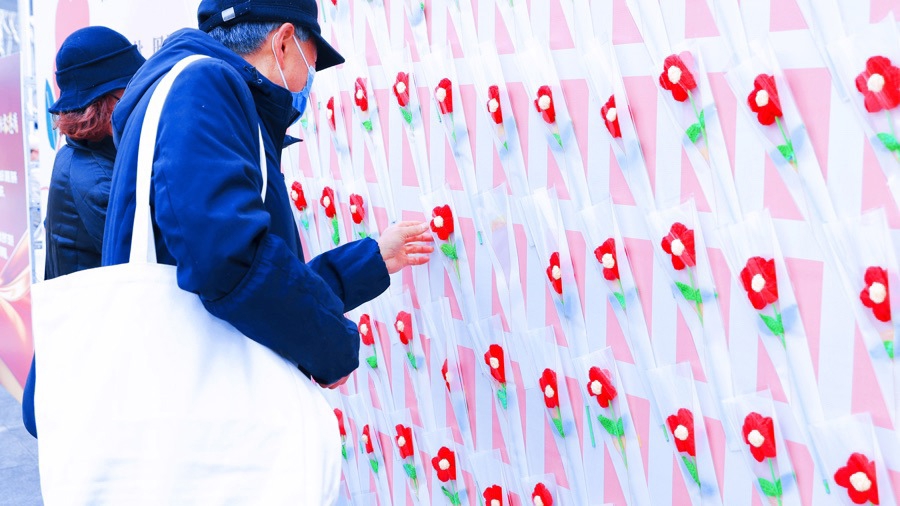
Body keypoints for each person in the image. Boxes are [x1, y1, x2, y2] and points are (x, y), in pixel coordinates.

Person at [100, 0, 433, 500]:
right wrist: (329, 346)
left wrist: (370, 261)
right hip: (203, 432)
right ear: (282, 42)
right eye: (310, 64)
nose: (307, 84)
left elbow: (249, 264)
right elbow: (229, 260)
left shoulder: (189, 91)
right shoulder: (204, 86)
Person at [22, 26, 145, 438]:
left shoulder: (82, 155)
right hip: (89, 379)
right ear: (108, 104)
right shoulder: (97, 180)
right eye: (133, 90)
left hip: (77, 363)